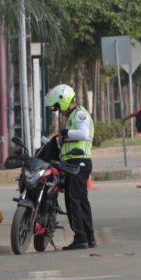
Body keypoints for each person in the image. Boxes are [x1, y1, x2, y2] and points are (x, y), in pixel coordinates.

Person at [44, 83, 96, 250]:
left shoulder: (80, 114)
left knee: (73, 200)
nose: (59, 111)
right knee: (81, 200)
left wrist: (66, 133)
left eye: (58, 107)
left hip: (78, 162)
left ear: (64, 101)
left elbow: (84, 134)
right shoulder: (74, 116)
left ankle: (81, 238)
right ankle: (88, 237)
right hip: (75, 162)